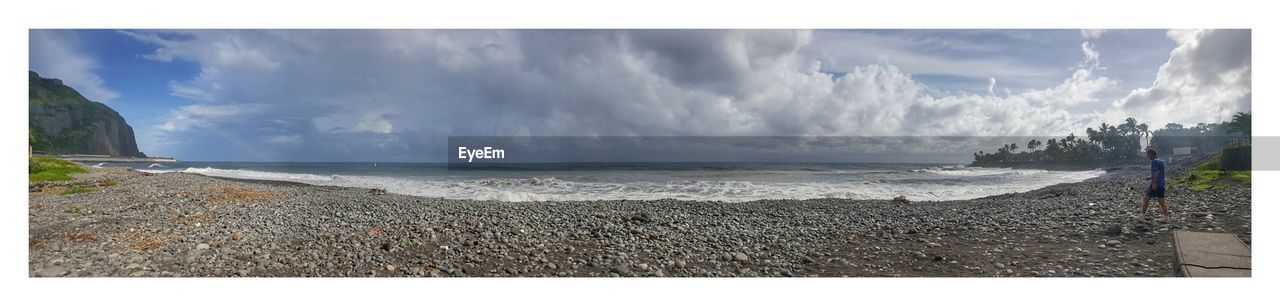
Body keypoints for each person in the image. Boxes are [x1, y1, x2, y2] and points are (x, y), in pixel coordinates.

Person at [1142, 148, 1169, 218]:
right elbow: (1159, 173)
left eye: (1148, 155)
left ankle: (1142, 215)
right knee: (1161, 201)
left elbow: (1157, 172)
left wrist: (1154, 183)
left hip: (1157, 184)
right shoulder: (1160, 161)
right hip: (1161, 184)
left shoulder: (1154, 162)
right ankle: (1166, 217)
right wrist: (1151, 177)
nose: (1148, 157)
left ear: (1152, 154)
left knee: (1146, 198)